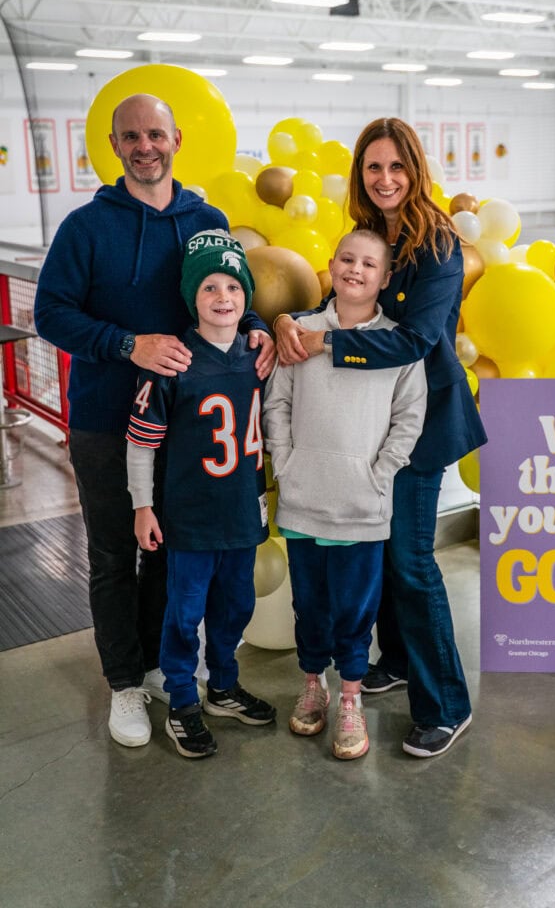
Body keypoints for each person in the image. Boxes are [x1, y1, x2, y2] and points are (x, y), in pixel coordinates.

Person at [34, 94, 275, 749]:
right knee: (116, 557)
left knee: (169, 554)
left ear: (176, 139)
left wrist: (254, 329)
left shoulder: (208, 217)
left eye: (156, 135)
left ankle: (165, 668)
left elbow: (229, 291)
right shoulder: (87, 227)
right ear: (115, 146)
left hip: (190, 429)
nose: (146, 146)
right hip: (107, 422)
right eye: (132, 136)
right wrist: (126, 344)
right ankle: (124, 685)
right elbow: (50, 313)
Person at [274, 117, 487, 759]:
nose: (385, 178)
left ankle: (446, 704)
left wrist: (326, 341)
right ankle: (394, 657)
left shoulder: (439, 243)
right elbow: (331, 305)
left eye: (397, 166)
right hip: (361, 425)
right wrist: (288, 318)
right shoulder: (370, 238)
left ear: (415, 169)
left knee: (410, 562)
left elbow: (416, 341)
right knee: (383, 546)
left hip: (418, 424)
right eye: (373, 167)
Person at [264, 230, 426, 760]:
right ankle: (314, 683)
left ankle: (352, 696)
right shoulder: (301, 332)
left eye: (370, 264)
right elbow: (277, 405)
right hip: (305, 496)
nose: (356, 270)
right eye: (348, 259)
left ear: (384, 278)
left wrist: (379, 474)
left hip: (362, 502)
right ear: (331, 265)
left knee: (356, 608)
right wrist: (285, 463)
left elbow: (408, 418)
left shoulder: (398, 344)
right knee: (310, 603)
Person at [127, 229, 276, 758]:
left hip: (241, 511)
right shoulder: (173, 362)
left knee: (235, 606)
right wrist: (143, 505)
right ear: (193, 297)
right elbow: (140, 443)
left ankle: (222, 685)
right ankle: (182, 699)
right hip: (189, 518)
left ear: (246, 298)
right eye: (210, 287)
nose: (223, 298)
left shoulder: (258, 358)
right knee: (184, 612)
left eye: (233, 288)